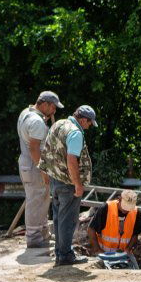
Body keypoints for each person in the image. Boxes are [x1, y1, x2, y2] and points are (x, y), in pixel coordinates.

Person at [39, 104, 97, 266]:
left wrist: (45, 173)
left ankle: (60, 253)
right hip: (68, 183)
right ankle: (65, 255)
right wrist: (78, 184)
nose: (89, 126)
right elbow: (72, 160)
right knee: (68, 220)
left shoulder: (59, 124)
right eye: (90, 123)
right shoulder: (75, 133)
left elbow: (46, 151)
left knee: (58, 219)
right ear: (84, 120)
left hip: (56, 180)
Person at [16, 91, 63, 248]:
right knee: (36, 199)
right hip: (34, 164)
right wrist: (43, 170)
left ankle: (42, 234)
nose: (54, 111)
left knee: (40, 198)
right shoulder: (37, 122)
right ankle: (34, 237)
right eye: (53, 107)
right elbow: (34, 148)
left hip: (27, 163)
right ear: (44, 104)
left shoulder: (26, 113)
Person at [87, 190, 141, 268]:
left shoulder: (136, 212)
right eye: (125, 206)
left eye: (129, 208)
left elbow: (135, 234)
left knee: (135, 272)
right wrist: (97, 250)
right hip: (104, 253)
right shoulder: (106, 208)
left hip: (124, 253)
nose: (126, 210)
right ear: (119, 199)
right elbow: (91, 229)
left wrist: (128, 249)